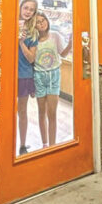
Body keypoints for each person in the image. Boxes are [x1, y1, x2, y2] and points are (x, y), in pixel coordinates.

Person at [33, 12, 72, 148]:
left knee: (52, 112)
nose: (42, 23)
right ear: (34, 26)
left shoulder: (55, 36)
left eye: (43, 20)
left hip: (54, 76)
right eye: (38, 22)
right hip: (39, 76)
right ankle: (45, 144)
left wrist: (71, 43)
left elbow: (63, 53)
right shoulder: (33, 41)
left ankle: (53, 145)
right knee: (41, 111)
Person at [17, 0, 39, 155]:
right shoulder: (11, 24)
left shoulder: (33, 33)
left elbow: (32, 58)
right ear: (20, 7)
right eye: (26, 8)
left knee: (22, 111)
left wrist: (21, 42)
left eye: (31, 10)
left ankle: (22, 145)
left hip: (24, 75)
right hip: (8, 74)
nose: (28, 12)